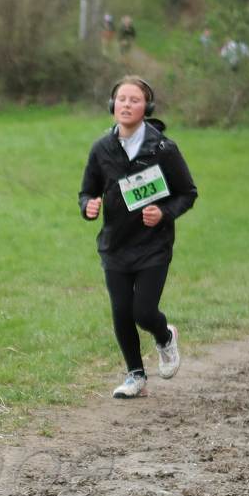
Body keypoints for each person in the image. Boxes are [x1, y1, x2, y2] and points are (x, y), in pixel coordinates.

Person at [78, 74, 197, 399]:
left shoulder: (163, 149)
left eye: (134, 100)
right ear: (112, 104)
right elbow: (87, 191)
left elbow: (187, 193)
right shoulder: (101, 148)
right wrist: (88, 206)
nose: (127, 105)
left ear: (147, 107)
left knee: (143, 312)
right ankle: (135, 376)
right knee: (121, 312)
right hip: (115, 244)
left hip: (153, 244)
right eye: (122, 99)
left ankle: (165, 336)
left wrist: (164, 213)